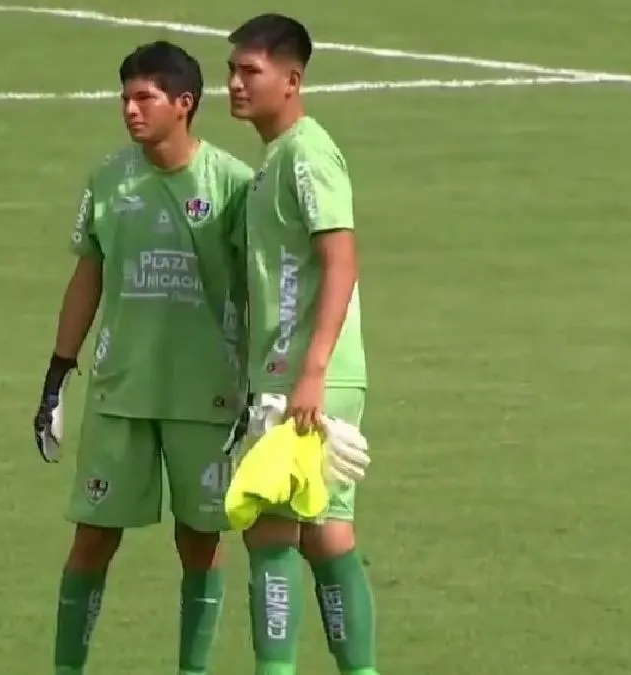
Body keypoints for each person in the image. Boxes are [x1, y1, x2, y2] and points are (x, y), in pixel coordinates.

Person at [33, 40, 255, 675]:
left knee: (200, 540)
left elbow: (262, 283)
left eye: (144, 97)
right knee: (93, 538)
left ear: (184, 104)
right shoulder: (109, 178)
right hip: (121, 390)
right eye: (124, 97)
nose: (130, 110)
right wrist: (56, 376)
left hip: (205, 392)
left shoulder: (233, 185)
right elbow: (88, 277)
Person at [225, 13, 380, 675]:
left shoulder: (308, 154)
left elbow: (341, 259)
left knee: (270, 531)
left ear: (291, 80)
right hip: (292, 372)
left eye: (248, 72)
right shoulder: (274, 161)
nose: (232, 83)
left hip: (311, 375)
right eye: (231, 70)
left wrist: (309, 374)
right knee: (324, 533)